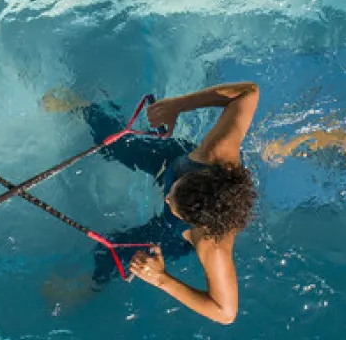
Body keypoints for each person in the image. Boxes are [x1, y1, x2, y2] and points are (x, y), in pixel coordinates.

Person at [81, 82, 259, 325]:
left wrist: (161, 279)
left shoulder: (211, 244)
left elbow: (225, 312)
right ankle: (80, 104)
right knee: (115, 143)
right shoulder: (217, 152)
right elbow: (248, 92)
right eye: (175, 191)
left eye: (173, 202)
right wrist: (178, 105)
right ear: (201, 174)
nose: (165, 198)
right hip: (174, 162)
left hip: (173, 232)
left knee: (111, 252)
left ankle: (85, 291)